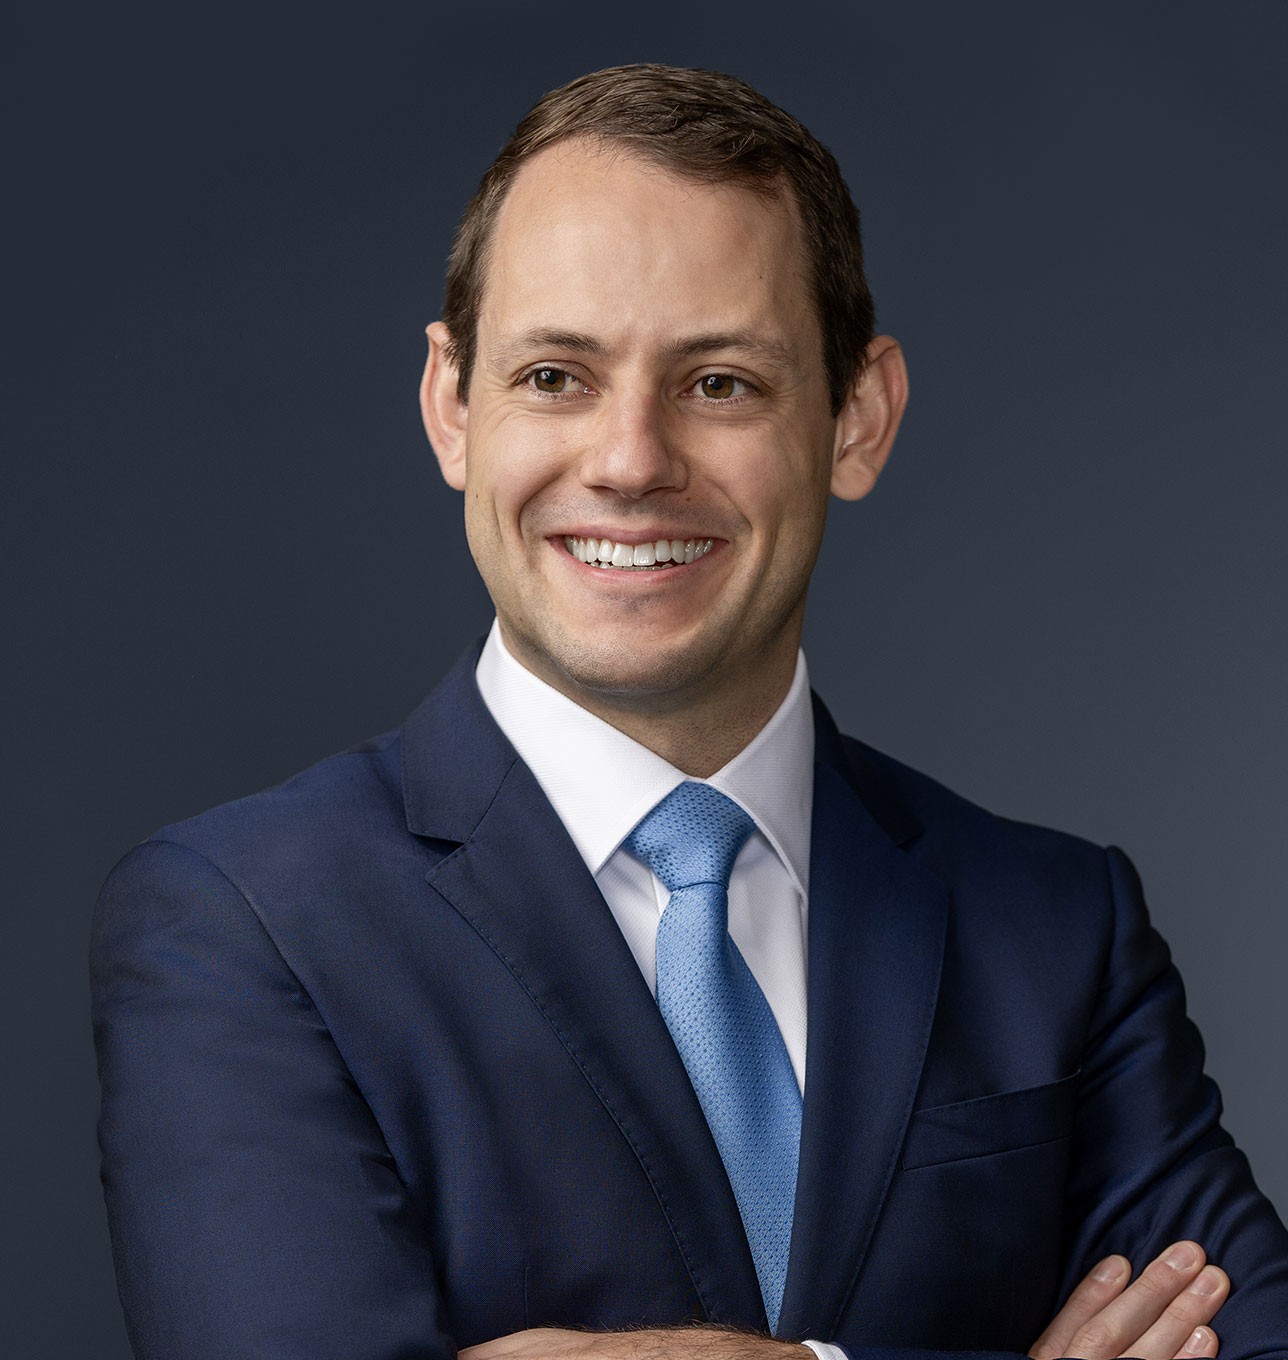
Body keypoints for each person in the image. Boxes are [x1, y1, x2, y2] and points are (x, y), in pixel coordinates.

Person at [91, 64, 1288, 1360]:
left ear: (858, 417)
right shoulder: (242, 923)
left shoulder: (1057, 930)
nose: (630, 461)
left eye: (719, 383)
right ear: (452, 406)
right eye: (556, 375)